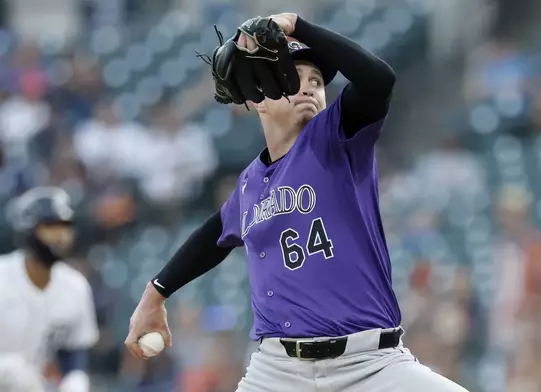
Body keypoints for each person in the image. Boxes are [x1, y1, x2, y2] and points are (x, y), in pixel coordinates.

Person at [125, 13, 469, 392]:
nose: (309, 88)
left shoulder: (336, 137)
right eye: (292, 79)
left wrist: (299, 27)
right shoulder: (250, 184)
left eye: (317, 82)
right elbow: (214, 235)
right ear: (259, 100)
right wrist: (155, 294)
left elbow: (379, 79)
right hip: (279, 372)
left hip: (371, 366)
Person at [0, 187, 99, 392]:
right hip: (14, 378)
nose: (60, 235)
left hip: (33, 384)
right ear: (27, 229)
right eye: (50, 226)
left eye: (65, 226)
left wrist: (75, 379)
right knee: (14, 372)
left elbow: (74, 353)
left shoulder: (76, 286)